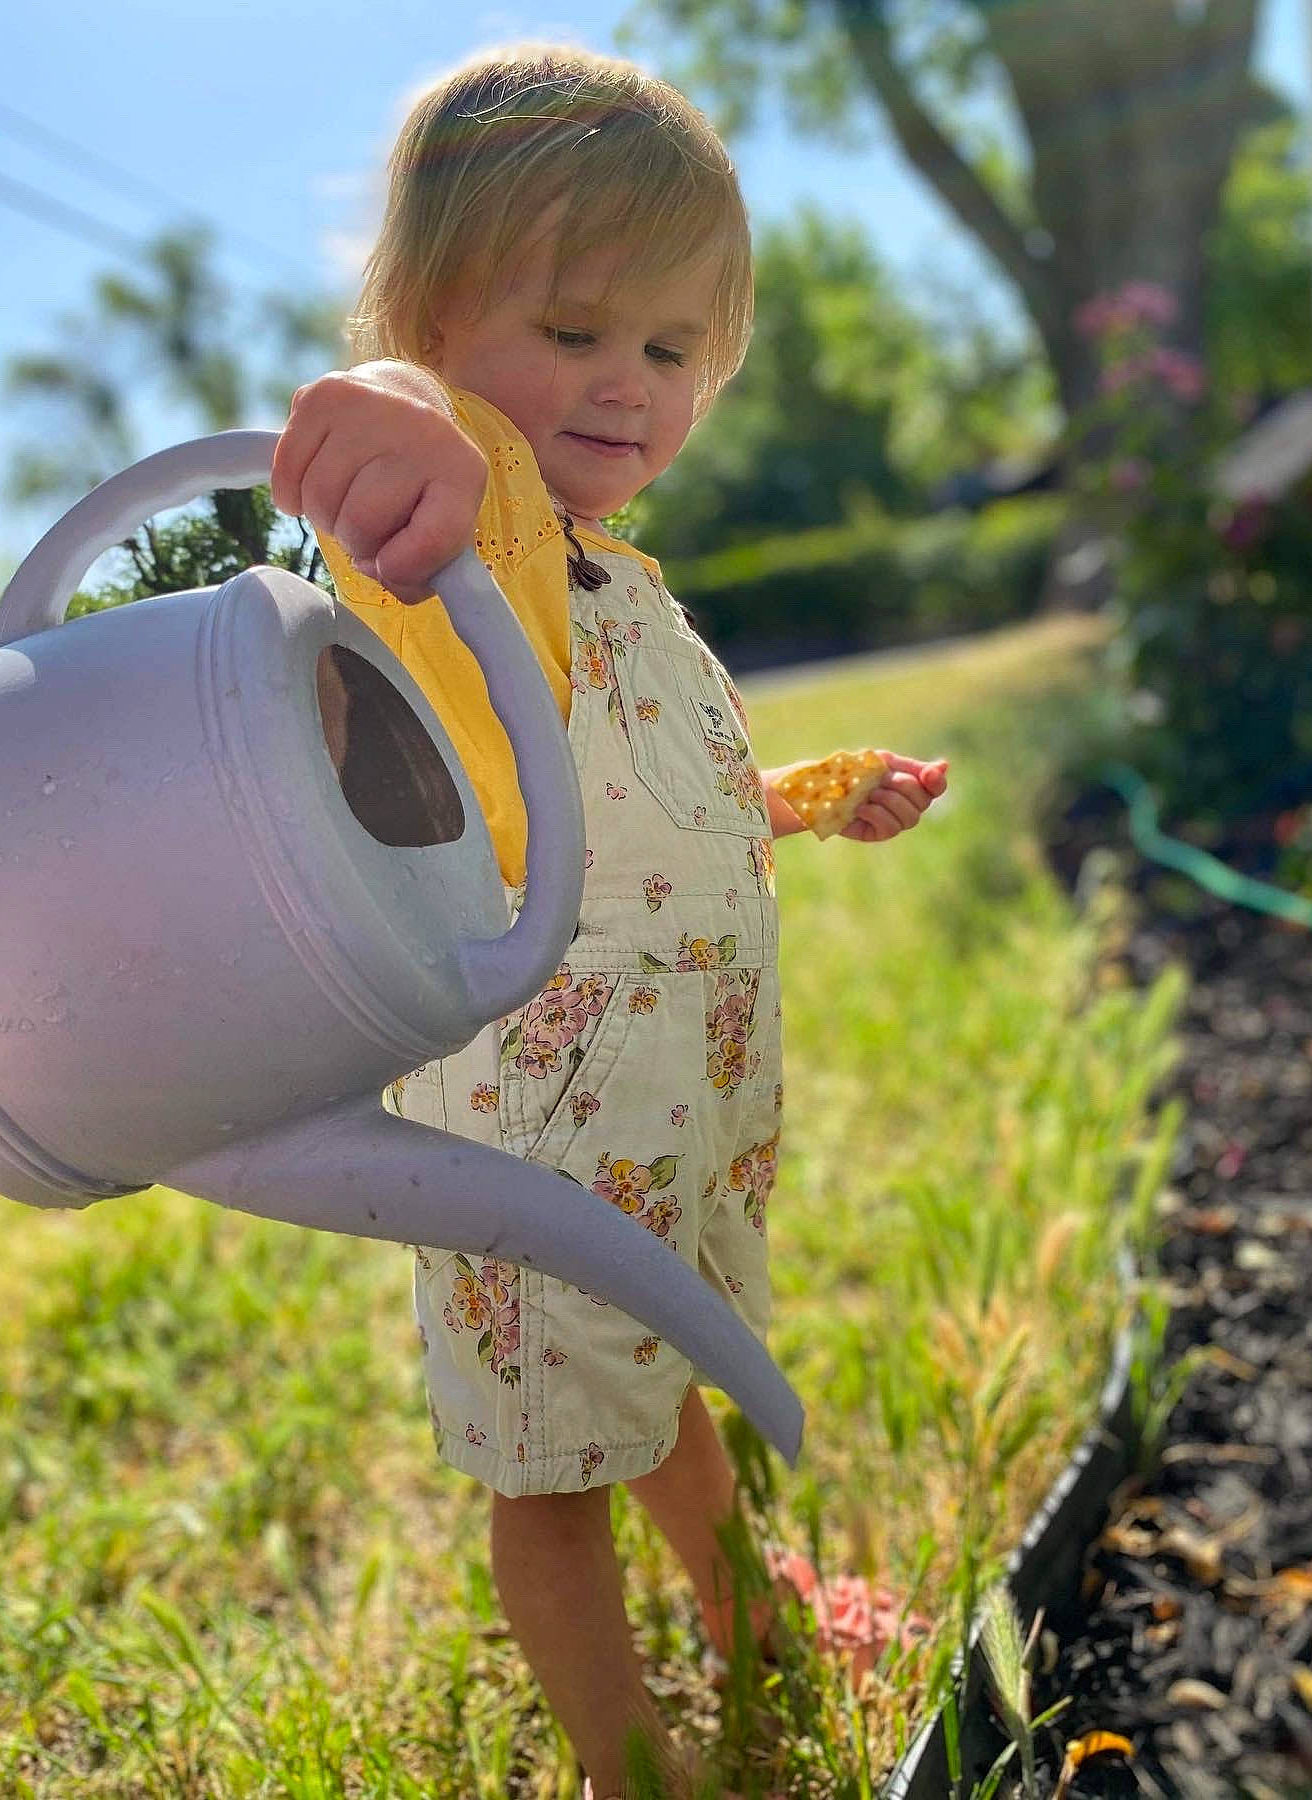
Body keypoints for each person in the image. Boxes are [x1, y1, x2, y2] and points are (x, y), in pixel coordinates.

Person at [272, 43, 948, 1799]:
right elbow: (379, 458)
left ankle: (754, 1632)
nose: (628, 385)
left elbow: (631, 801)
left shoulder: (609, 576)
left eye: (669, 347)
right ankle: (635, 1766)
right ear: (432, 312)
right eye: (571, 332)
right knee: (554, 1485)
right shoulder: (463, 540)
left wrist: (800, 798)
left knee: (667, 1394)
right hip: (541, 1144)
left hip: (676, 1116)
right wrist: (398, 409)